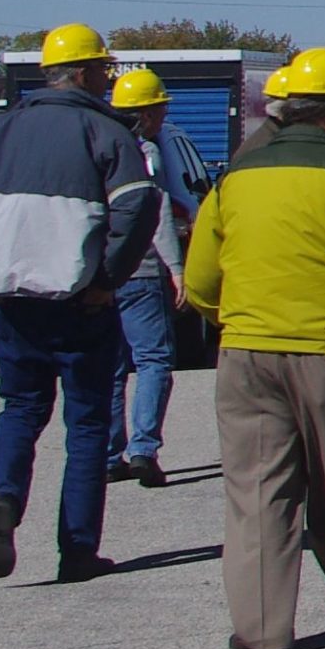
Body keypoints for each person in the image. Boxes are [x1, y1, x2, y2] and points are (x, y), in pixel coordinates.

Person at [186, 46, 325, 649]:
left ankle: (263, 628)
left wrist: (233, 321)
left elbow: (201, 276)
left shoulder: (236, 174)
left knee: (258, 489)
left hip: (246, 350)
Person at [0, 22, 161, 583]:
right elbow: (138, 208)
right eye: (105, 72)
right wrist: (107, 278)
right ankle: (78, 550)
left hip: (11, 301)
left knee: (19, 408)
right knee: (86, 424)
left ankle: (5, 501)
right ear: (84, 74)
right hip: (81, 301)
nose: (108, 82)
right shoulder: (107, 134)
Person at [105, 65, 216, 488]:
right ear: (149, 112)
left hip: (102, 271)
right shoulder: (144, 153)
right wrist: (176, 269)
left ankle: (109, 452)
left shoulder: (97, 144)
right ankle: (144, 449)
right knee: (152, 359)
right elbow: (156, 218)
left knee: (112, 366)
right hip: (141, 270)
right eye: (161, 108)